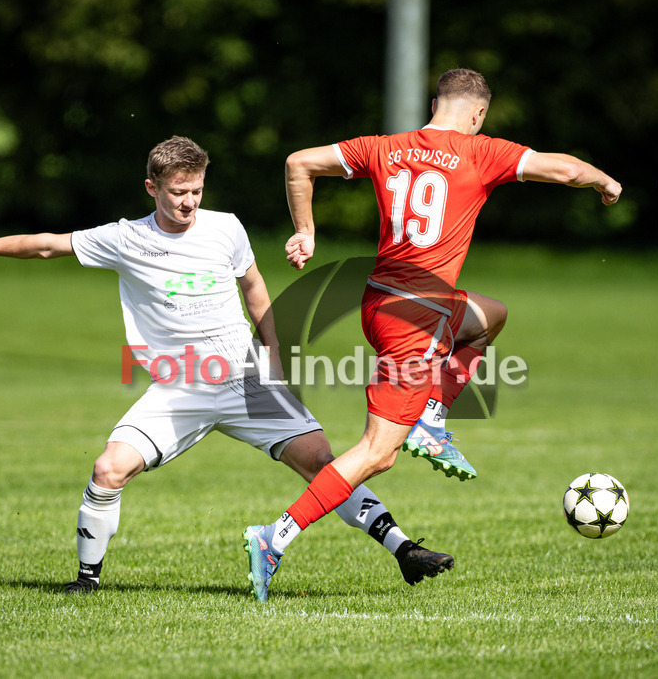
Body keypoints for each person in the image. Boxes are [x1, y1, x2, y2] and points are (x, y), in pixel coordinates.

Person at [0, 135, 455, 594]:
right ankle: (86, 581)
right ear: (152, 187)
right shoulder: (126, 238)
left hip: (244, 379)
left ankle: (405, 551)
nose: (189, 202)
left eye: (196, 190)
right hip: (179, 389)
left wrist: (273, 351)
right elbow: (45, 247)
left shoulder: (225, 228)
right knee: (108, 469)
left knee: (323, 462)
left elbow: (254, 289)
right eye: (178, 192)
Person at [243, 69, 622, 600]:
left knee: (490, 315)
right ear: (478, 113)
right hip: (416, 321)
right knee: (377, 452)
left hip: (383, 301)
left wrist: (305, 231)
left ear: (436, 103)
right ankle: (274, 536)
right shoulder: (481, 152)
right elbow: (561, 169)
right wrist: (606, 182)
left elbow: (298, 162)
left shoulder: (388, 147)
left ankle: (431, 418)